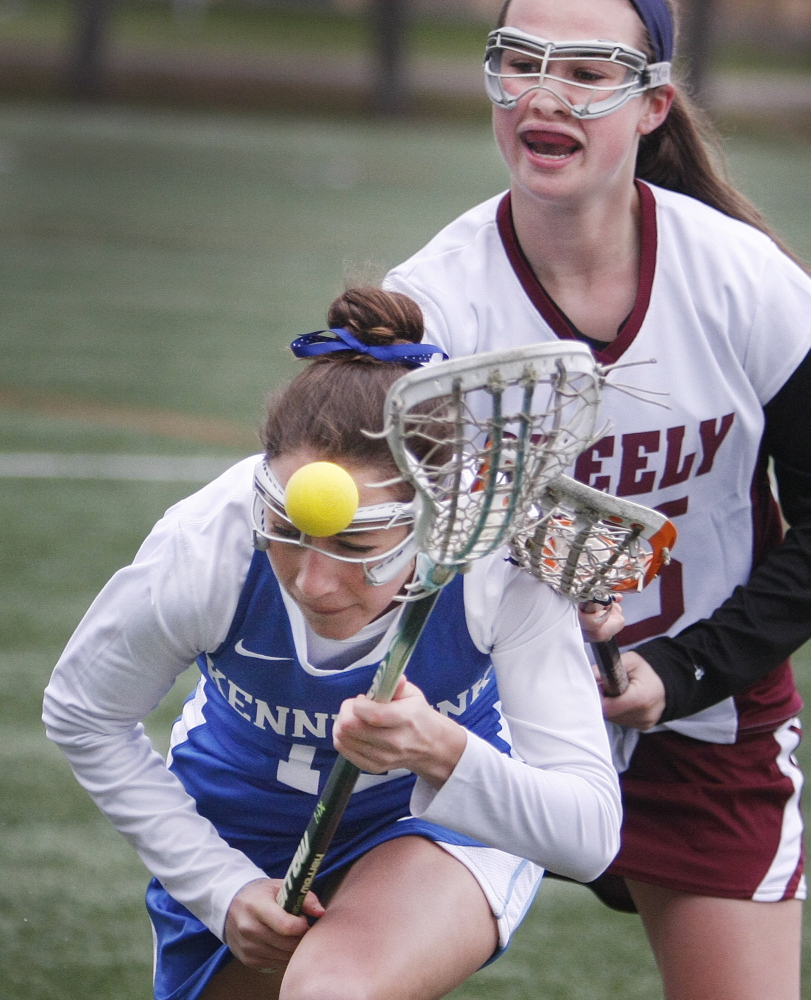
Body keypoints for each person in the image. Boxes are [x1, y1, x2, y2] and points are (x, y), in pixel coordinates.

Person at [384, 1, 811, 998]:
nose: (544, 92)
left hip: (700, 720)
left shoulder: (745, 283)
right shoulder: (435, 305)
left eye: (584, 71)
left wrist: (682, 667)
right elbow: (381, 550)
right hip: (482, 717)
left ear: (653, 102)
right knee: (321, 978)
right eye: (519, 61)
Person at [42, 285, 621, 1000]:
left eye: (353, 543)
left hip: (431, 821)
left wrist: (436, 749)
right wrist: (220, 888)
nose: (312, 584)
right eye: (286, 533)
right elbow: (83, 712)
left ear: (429, 516)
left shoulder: (497, 558)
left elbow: (589, 837)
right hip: (239, 826)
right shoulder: (208, 542)